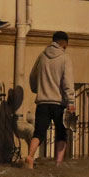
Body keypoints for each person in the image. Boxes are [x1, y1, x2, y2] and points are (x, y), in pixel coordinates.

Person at [24, 32, 75, 169]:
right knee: (61, 132)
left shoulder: (41, 56)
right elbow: (67, 82)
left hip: (42, 102)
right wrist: (71, 101)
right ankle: (58, 163)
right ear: (64, 43)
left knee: (39, 132)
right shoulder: (65, 58)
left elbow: (32, 77)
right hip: (59, 104)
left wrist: (38, 89)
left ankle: (30, 156)